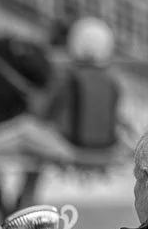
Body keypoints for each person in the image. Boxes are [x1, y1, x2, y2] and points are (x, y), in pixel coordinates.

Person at [44, 17, 129, 163]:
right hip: (106, 148)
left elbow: (46, 113)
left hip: (73, 148)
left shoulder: (68, 77)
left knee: (25, 128)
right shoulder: (113, 81)